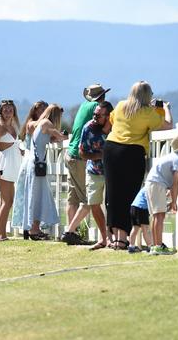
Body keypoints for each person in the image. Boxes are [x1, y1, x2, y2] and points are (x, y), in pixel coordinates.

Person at [103, 81, 173, 250]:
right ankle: (123, 238)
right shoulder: (148, 112)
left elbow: (112, 120)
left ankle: (116, 238)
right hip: (132, 152)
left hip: (111, 149)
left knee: (113, 195)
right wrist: (166, 108)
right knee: (129, 195)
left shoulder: (120, 105)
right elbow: (168, 125)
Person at [62, 101, 113, 249]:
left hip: (111, 172)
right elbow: (82, 153)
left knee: (111, 205)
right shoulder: (88, 127)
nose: (94, 117)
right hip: (94, 171)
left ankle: (113, 238)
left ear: (109, 116)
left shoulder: (117, 127)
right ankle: (104, 239)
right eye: (94, 114)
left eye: (98, 115)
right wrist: (100, 155)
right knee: (93, 204)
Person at [15, 104, 68, 241]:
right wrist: (63, 136)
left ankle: (34, 228)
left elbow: (49, 138)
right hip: (37, 165)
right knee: (37, 196)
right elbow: (58, 136)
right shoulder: (46, 123)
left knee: (36, 195)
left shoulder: (41, 124)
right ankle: (34, 230)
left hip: (35, 163)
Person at [65, 84, 110, 226]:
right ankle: (71, 230)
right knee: (88, 199)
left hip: (70, 152)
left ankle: (72, 232)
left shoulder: (84, 105)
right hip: (80, 157)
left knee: (72, 198)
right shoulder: (97, 107)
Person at [145, 133, 178, 255]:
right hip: (157, 185)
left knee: (157, 216)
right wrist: (173, 201)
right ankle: (157, 246)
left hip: (152, 184)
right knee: (159, 216)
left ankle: (155, 246)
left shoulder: (173, 157)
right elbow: (175, 183)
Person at [11, 100, 48, 239]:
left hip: (31, 161)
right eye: (40, 110)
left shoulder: (40, 124)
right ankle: (32, 229)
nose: (43, 112)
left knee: (32, 195)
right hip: (31, 162)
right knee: (32, 195)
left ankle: (31, 228)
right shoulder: (32, 123)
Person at [0, 100, 22, 241]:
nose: (8, 112)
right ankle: (1, 234)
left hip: (15, 163)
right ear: (1, 111)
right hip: (4, 165)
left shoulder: (14, 125)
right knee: (6, 201)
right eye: (5, 110)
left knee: (8, 201)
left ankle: (0, 233)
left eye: (10, 109)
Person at [127, 187, 153, 253]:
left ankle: (131, 246)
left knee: (135, 228)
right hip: (141, 208)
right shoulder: (150, 188)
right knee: (145, 229)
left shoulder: (144, 188)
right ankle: (150, 247)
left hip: (133, 207)